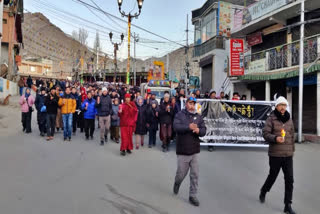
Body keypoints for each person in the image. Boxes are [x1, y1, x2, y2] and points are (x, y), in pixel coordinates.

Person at [260, 96, 296, 214]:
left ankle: (288, 205)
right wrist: (275, 138)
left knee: (289, 179)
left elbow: (291, 135)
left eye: (285, 105)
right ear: (276, 106)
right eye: (281, 105)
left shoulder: (289, 119)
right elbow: (265, 133)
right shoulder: (271, 119)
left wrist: (292, 150)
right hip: (275, 154)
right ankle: (264, 190)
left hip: (288, 155)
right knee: (273, 176)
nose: (283, 107)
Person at [173, 97, 207, 207]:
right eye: (190, 103)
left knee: (195, 174)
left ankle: (192, 195)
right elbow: (176, 127)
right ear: (186, 104)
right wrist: (188, 127)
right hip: (183, 150)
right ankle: (177, 183)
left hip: (195, 150)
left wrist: (199, 131)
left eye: (193, 103)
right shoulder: (180, 115)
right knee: (181, 174)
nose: (192, 105)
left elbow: (204, 130)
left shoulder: (198, 116)